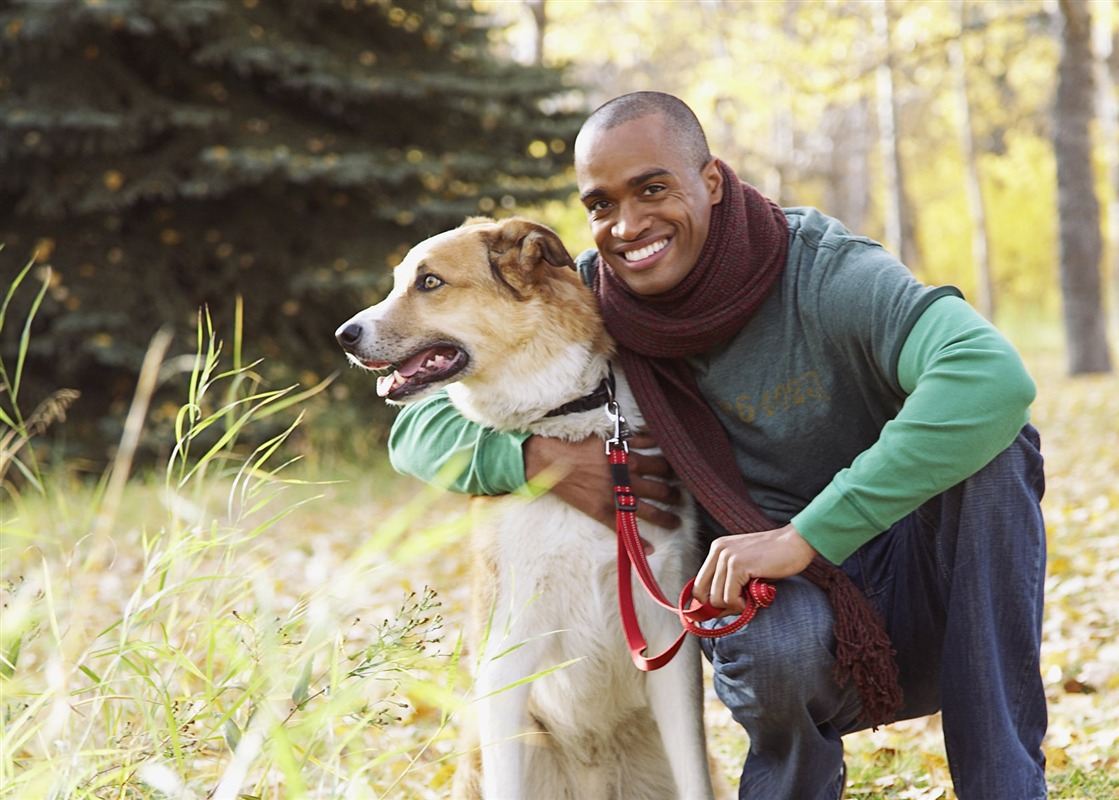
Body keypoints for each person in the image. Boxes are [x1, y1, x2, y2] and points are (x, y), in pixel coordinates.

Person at [388, 92, 1048, 799]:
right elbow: (414, 429)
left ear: (711, 181)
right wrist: (534, 459)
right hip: (786, 616)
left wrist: (806, 535)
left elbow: (991, 378)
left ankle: (1005, 785)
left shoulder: (824, 271)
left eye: (651, 188)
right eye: (601, 205)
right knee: (770, 640)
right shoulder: (590, 299)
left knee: (997, 447)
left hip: (929, 594)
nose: (628, 224)